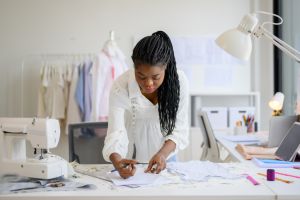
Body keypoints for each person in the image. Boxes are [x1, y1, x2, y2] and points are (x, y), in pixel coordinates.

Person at [102, 31, 189, 179]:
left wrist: (162, 154)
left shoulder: (179, 83)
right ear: (134, 68)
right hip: (130, 162)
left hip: (167, 158)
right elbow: (116, 132)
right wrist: (117, 161)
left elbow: (179, 130)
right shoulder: (121, 86)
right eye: (141, 77)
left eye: (156, 77)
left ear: (165, 68)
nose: (148, 83)